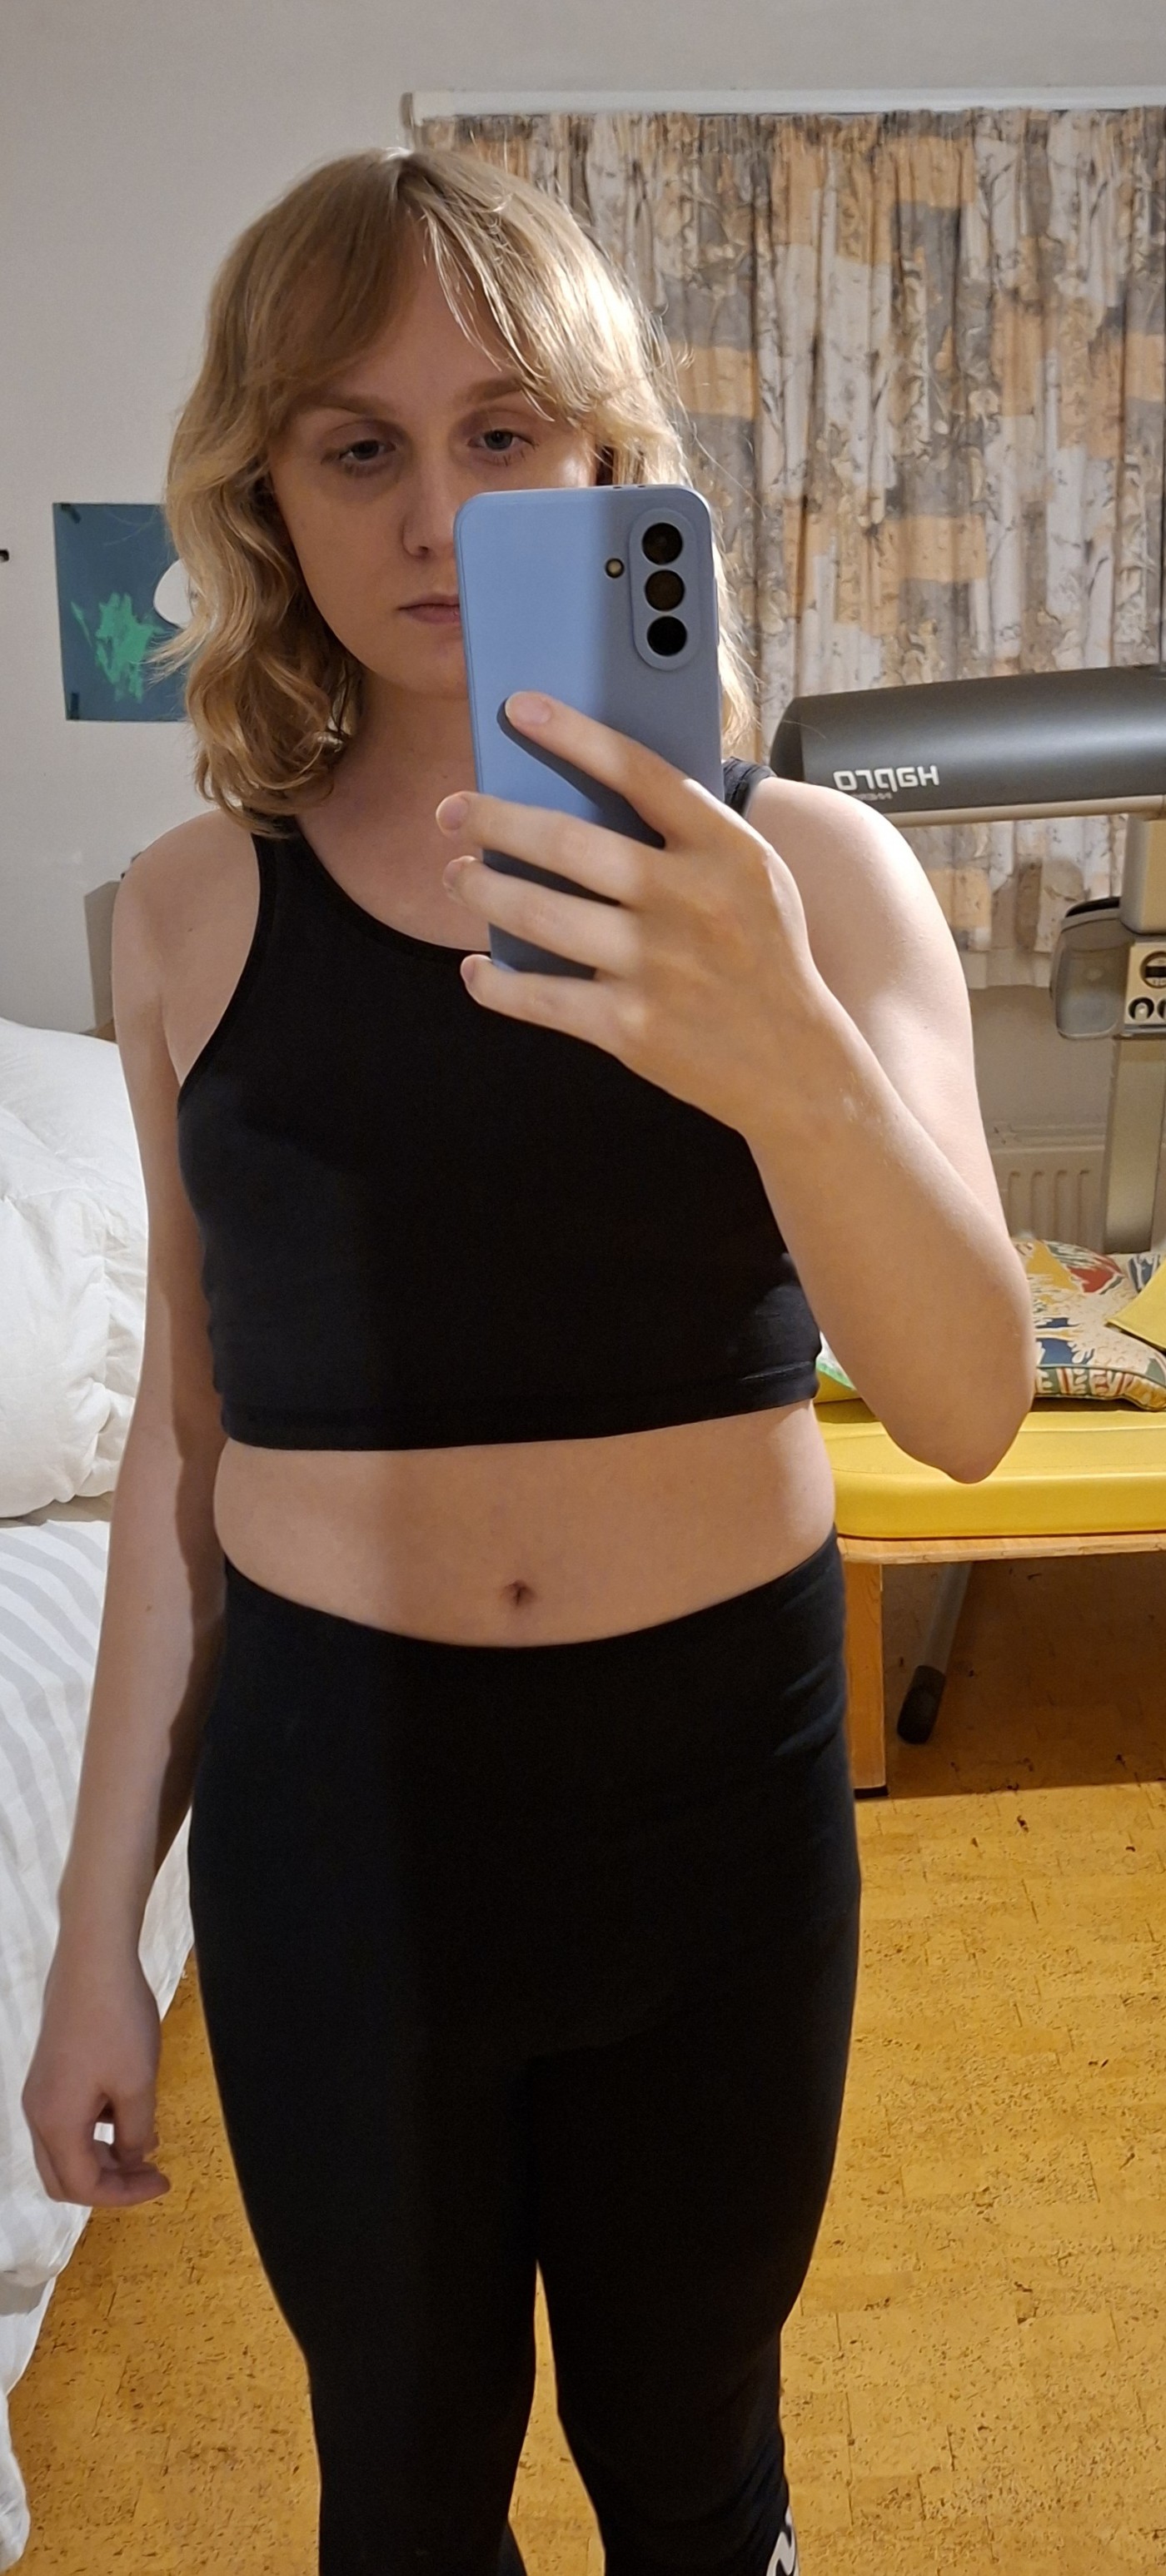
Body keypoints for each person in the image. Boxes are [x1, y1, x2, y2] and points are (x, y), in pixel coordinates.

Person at [23, 145, 1034, 2576]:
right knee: (399, 2486)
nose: (433, 509)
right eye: (355, 444)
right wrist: (88, 1945)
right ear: (265, 491)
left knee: (694, 2463)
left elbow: (972, 1405)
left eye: (500, 433)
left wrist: (776, 1034)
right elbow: (182, 1453)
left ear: (603, 461)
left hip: (716, 1802)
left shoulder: (811, 879)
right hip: (337, 1821)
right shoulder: (187, 911)